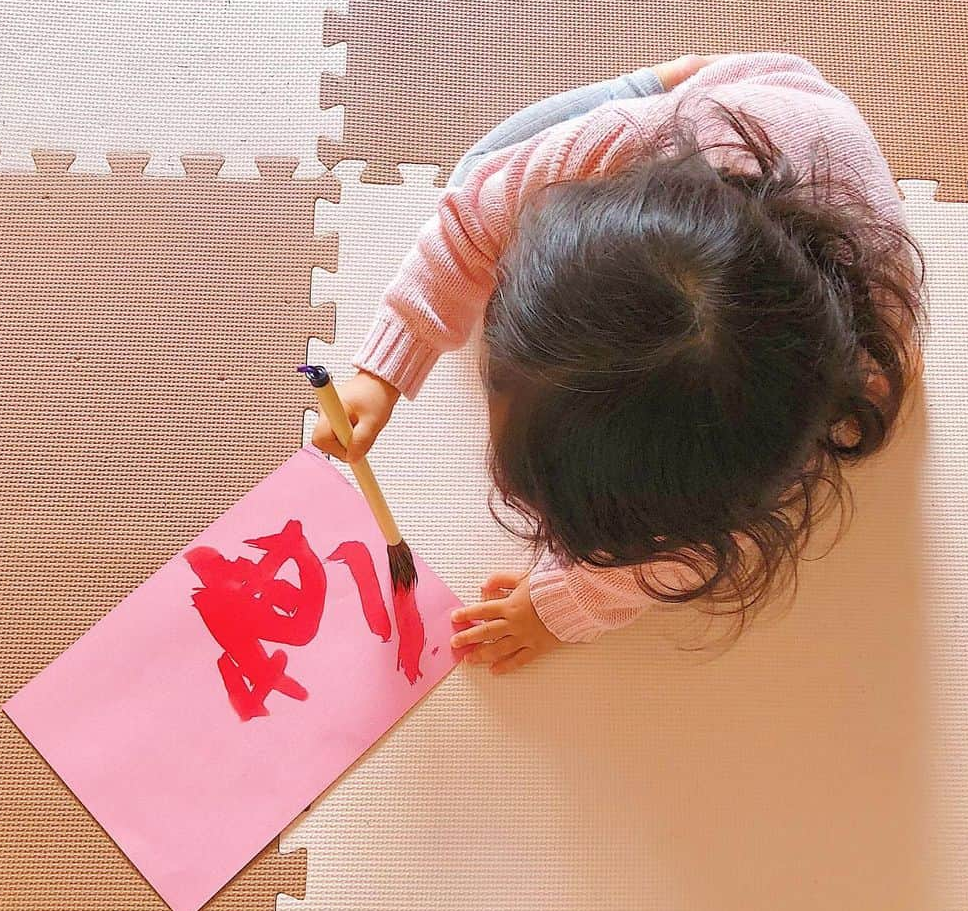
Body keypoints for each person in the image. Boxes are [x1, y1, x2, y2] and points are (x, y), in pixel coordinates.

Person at [312, 52, 925, 674]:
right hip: (741, 93)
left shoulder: (857, 358)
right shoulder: (615, 148)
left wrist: (553, 609)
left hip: (803, 134)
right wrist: (382, 370)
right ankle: (655, 82)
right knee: (478, 175)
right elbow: (470, 223)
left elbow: (647, 569)